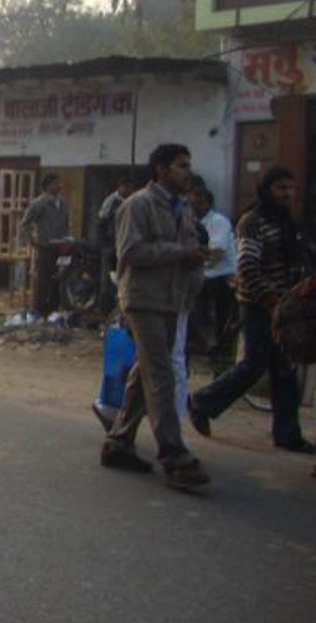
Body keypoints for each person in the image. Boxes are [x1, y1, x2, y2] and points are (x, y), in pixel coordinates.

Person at [100, 143, 210, 490]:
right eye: (180, 165)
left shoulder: (185, 210)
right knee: (160, 373)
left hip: (171, 300)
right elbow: (130, 252)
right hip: (142, 300)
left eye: (188, 165)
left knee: (144, 370)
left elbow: (190, 252)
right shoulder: (138, 205)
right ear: (160, 169)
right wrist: (181, 253)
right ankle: (173, 454)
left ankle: (118, 441)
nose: (187, 171)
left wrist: (195, 266)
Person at [188, 166, 316, 454]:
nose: (286, 194)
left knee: (283, 371)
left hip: (284, 307)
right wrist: (272, 300)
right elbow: (247, 268)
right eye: (280, 188)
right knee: (253, 365)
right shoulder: (252, 222)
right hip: (259, 306)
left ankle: (288, 434)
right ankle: (202, 402)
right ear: (266, 189)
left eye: (290, 188)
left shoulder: (288, 223)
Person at [186, 187, 236, 368]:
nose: (195, 206)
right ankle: (198, 341)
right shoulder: (190, 221)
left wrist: (196, 259)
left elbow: (217, 253)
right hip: (204, 274)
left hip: (222, 275)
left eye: (199, 202)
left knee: (223, 315)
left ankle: (223, 351)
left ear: (208, 203)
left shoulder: (218, 221)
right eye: (192, 202)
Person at [20, 172, 70, 319]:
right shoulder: (39, 203)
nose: (58, 186)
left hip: (61, 246)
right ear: (47, 186)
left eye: (59, 183)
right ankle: (39, 309)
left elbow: (66, 222)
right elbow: (25, 223)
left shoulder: (62, 202)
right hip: (46, 246)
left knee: (59, 277)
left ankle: (54, 307)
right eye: (55, 183)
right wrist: (32, 241)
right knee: (43, 279)